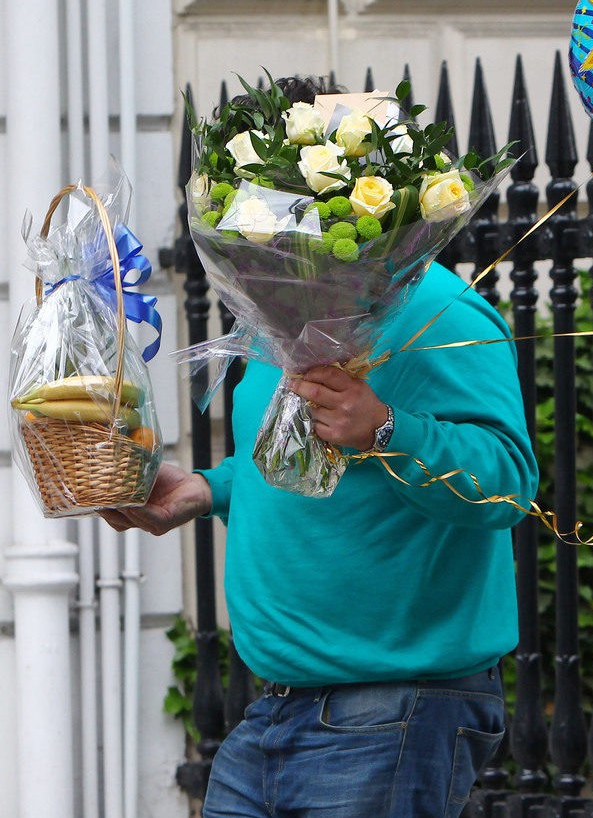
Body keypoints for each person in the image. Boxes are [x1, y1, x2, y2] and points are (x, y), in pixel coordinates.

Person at [101, 254, 538, 814]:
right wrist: (209, 490)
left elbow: (508, 482)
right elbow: (297, 468)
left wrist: (386, 428)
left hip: (393, 706)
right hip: (274, 708)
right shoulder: (285, 311)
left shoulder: (441, 311)